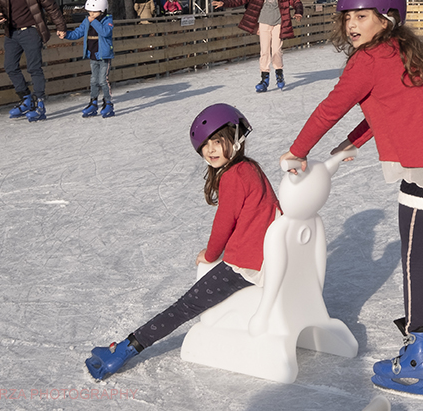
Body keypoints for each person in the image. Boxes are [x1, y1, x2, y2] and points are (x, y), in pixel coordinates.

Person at [282, 0, 423, 399]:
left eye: (363, 16)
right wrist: (351, 144)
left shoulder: (368, 60)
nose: (352, 24)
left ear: (386, 20)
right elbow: (385, 109)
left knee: (414, 265)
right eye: (348, 17)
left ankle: (417, 361)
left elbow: (330, 107)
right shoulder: (401, 53)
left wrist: (296, 152)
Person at [85, 104, 280, 380]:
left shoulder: (234, 177)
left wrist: (211, 254)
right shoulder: (249, 168)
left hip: (247, 263)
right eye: (205, 145)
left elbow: (223, 225)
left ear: (236, 137)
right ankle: (127, 346)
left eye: (217, 141)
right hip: (263, 256)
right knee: (188, 303)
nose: (210, 149)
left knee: (185, 306)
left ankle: (125, 350)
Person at [0, 0, 67, 121]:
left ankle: (39, 103)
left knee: (34, 68)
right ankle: (26, 99)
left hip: (31, 31)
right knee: (10, 66)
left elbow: (51, 6)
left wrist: (61, 26)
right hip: (11, 32)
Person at [212, 0, 304, 92]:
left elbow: (296, 1)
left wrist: (298, 12)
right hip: (264, 23)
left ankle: (279, 74)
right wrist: (224, 3)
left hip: (279, 23)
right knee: (264, 51)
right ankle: (264, 79)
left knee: (276, 51)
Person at [58, 0, 116, 118]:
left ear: (102, 10)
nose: (91, 15)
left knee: (103, 80)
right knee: (93, 80)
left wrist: (94, 22)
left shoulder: (107, 20)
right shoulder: (87, 21)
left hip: (104, 56)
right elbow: (77, 33)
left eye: (94, 12)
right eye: (89, 12)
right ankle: (93, 102)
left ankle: (108, 103)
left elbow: (105, 32)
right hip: (93, 54)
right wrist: (66, 35)